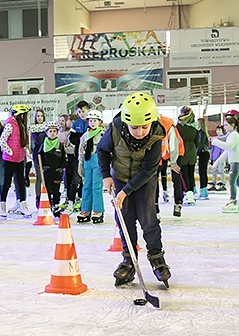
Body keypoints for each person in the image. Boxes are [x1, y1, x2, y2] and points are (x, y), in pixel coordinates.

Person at [98, 92, 170, 287]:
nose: (139, 132)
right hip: (120, 178)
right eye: (134, 127)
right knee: (124, 219)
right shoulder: (115, 129)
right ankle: (129, 261)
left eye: (144, 127)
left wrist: (125, 192)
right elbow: (102, 150)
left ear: (151, 122)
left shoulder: (156, 135)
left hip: (144, 182)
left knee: (149, 220)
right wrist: (106, 176)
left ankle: (157, 259)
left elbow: (148, 170)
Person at [212, 114, 239, 213]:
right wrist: (217, 163)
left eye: (226, 125)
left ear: (232, 125)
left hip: (237, 162)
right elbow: (227, 152)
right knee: (238, 182)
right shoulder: (231, 135)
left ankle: (232, 201)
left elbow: (228, 147)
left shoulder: (235, 135)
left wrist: (215, 142)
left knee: (232, 181)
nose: (225, 127)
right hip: (236, 161)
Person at [0, 104, 31, 216]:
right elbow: (2, 140)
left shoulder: (21, 125)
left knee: (20, 181)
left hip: (19, 158)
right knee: (7, 182)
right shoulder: (10, 125)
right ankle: (2, 204)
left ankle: (22, 203)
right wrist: (10, 152)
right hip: (9, 159)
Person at [78, 109, 105, 223]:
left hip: (97, 160)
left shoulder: (103, 134)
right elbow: (81, 150)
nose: (92, 123)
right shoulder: (85, 135)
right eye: (90, 121)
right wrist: (80, 163)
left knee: (96, 186)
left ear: (100, 122)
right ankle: (86, 209)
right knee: (86, 186)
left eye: (95, 120)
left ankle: (98, 210)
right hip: (87, 161)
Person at [173, 106, 199, 216]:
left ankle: (187, 194)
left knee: (183, 176)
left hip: (182, 154)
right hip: (192, 154)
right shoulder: (194, 129)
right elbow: (197, 142)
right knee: (190, 174)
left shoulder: (178, 128)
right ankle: (191, 193)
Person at [37, 121, 67, 217]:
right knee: (48, 189)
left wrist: (61, 167)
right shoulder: (43, 145)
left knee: (56, 189)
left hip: (57, 171)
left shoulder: (60, 145)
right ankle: (48, 205)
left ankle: (56, 205)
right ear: (46, 132)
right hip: (47, 171)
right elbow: (38, 157)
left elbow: (63, 158)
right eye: (50, 131)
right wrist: (42, 167)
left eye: (54, 131)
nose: (52, 133)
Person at [65, 101, 90, 212]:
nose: (81, 114)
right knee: (76, 178)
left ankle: (84, 200)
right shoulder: (76, 124)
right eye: (79, 112)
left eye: (83, 111)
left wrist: (82, 138)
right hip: (77, 155)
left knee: (87, 180)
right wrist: (83, 138)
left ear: (88, 110)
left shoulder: (92, 122)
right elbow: (72, 138)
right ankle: (70, 201)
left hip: (89, 156)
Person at [29, 109, 47, 207]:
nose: (39, 118)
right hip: (37, 154)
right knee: (39, 177)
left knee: (47, 176)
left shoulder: (47, 127)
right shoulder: (34, 129)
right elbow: (39, 140)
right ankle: (38, 197)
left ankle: (48, 196)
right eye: (38, 116)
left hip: (47, 154)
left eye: (41, 116)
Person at [208, 124, 228, 193]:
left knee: (221, 170)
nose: (218, 131)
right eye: (217, 130)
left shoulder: (224, 139)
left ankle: (223, 183)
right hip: (215, 157)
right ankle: (214, 183)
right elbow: (213, 149)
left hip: (221, 158)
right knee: (214, 171)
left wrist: (222, 158)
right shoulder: (215, 139)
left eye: (219, 130)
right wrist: (211, 157)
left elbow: (224, 149)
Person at [194, 117, 210, 200]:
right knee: (203, 172)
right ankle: (204, 190)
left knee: (202, 172)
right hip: (205, 154)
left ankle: (203, 190)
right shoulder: (204, 133)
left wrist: (195, 153)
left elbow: (200, 145)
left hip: (203, 154)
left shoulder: (201, 133)